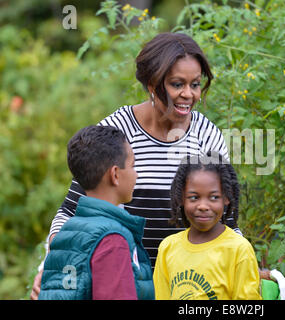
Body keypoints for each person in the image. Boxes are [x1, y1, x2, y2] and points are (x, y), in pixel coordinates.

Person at [31, 32, 236, 299]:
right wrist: (54, 267)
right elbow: (71, 211)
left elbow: (227, 219)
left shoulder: (207, 136)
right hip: (121, 280)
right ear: (153, 84)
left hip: (190, 285)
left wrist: (242, 264)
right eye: (177, 84)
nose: (189, 94)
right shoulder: (117, 132)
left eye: (195, 84)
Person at [39, 125, 154, 299]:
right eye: (133, 166)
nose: (136, 174)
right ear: (115, 174)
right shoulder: (112, 240)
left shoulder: (67, 231)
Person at [153, 152, 262, 300]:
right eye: (194, 197)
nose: (203, 206)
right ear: (181, 198)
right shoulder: (168, 247)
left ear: (227, 198)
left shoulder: (238, 250)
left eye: (214, 197)